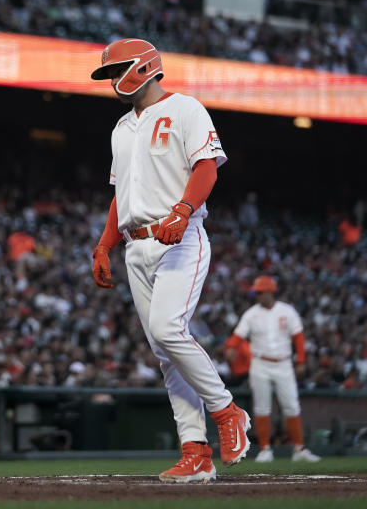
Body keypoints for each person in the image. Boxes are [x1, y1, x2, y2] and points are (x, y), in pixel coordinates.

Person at [90, 38, 251, 483]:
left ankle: (227, 412)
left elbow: (207, 167)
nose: (111, 80)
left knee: (167, 329)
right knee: (164, 352)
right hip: (135, 245)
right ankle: (195, 451)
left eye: (114, 70)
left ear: (144, 66)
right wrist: (105, 244)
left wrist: (182, 211)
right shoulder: (121, 128)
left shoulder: (186, 108)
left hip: (180, 237)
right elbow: (121, 194)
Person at [226, 275, 321, 463]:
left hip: (284, 363)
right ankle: (265, 449)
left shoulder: (287, 311)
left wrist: (301, 360)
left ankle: (299, 449)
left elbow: (299, 337)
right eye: (257, 292)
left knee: (292, 406)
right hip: (260, 364)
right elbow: (237, 336)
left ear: (270, 291)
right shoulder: (251, 313)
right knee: (262, 407)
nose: (258, 295)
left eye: (261, 292)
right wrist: (230, 347)